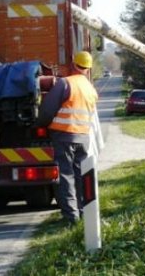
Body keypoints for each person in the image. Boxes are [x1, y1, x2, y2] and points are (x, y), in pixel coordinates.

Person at [36, 50, 99, 225]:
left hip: (64, 136)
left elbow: (48, 110)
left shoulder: (65, 83)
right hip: (83, 138)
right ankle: (84, 213)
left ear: (73, 64)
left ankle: (71, 218)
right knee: (80, 176)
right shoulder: (91, 90)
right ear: (88, 69)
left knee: (65, 176)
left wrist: (40, 124)